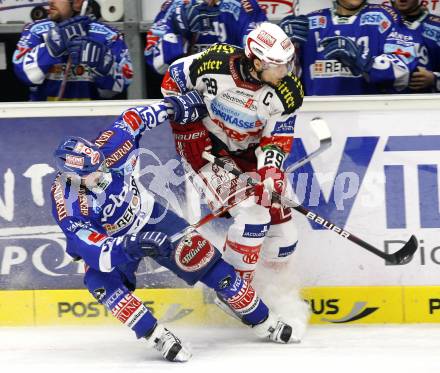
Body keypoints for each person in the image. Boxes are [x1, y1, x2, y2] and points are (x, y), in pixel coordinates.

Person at [51, 91, 299, 363]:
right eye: (92, 173)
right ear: (72, 176)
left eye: (100, 165)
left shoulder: (112, 145)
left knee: (211, 266)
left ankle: (264, 320)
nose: (102, 174)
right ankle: (154, 333)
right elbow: (91, 247)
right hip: (115, 242)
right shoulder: (67, 201)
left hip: (151, 217)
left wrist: (172, 106)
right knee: (100, 282)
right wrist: (133, 246)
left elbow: (135, 118)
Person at [161, 22, 304, 293]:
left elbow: (276, 138)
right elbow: (172, 79)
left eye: (287, 63)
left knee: (285, 238)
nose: (284, 72)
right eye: (277, 65)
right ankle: (233, 292)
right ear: (256, 61)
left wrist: (270, 173)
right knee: (254, 218)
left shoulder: (287, 93)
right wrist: (187, 124)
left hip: (250, 155)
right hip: (206, 152)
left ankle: (271, 295)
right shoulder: (213, 62)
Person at [280, 0, 418, 95]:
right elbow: (283, 80)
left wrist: (365, 61)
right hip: (315, 117)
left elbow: (404, 70)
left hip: (370, 120)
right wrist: (281, 47)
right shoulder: (309, 22)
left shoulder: (386, 17)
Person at [13, 0, 132, 101]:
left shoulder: (108, 35)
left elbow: (121, 85)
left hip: (92, 120)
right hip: (42, 120)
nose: (51, 2)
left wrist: (104, 65)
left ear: (77, 2)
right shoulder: (35, 30)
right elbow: (23, 74)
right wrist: (50, 49)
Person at [144, 0, 267, 97]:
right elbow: (155, 63)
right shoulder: (174, 7)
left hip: (232, 97)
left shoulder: (245, 7)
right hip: (185, 98)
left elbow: (258, 59)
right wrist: (180, 38)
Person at [391, 0, 440, 92]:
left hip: (425, 102)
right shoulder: (381, 23)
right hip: (384, 102)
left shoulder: (437, 26)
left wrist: (434, 79)